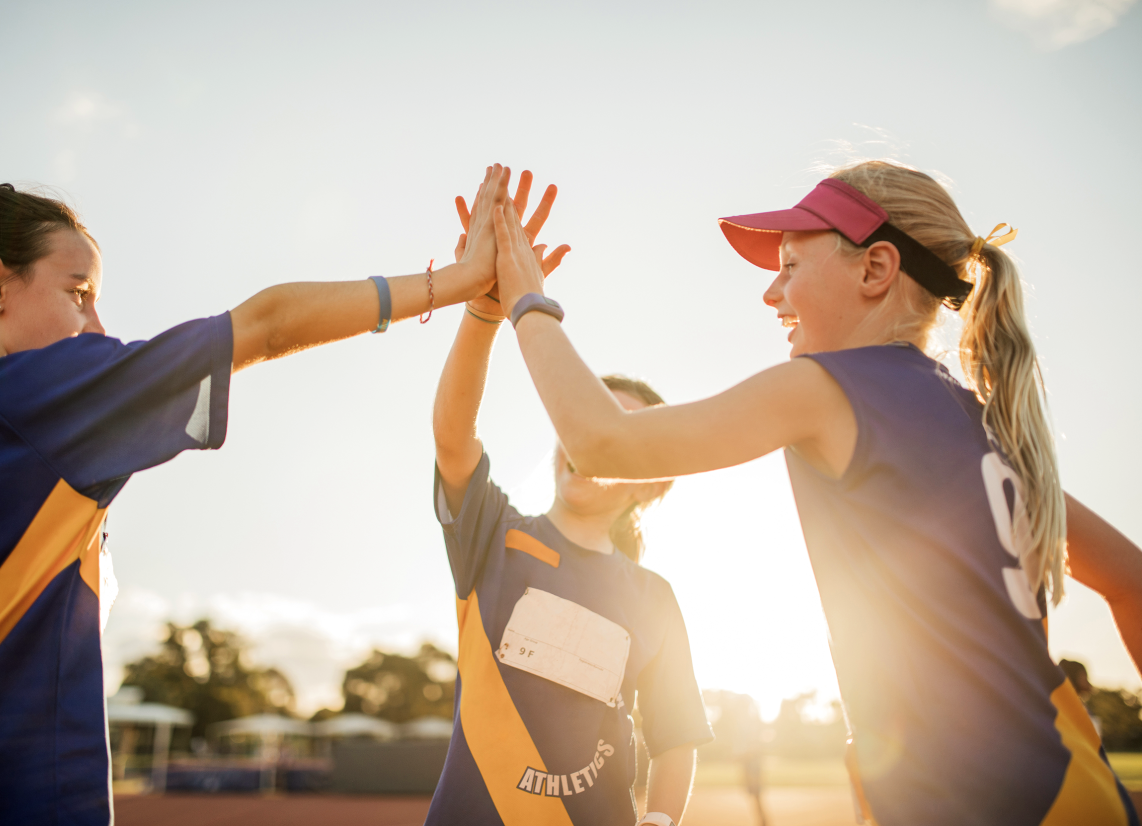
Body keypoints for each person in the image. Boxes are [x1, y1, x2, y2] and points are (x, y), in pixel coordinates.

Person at [489, 159, 1142, 825]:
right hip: (1074, 782)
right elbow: (1131, 580)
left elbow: (602, 445)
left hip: (993, 802)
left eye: (791, 267)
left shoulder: (826, 388)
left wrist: (525, 298)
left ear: (875, 269)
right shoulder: (984, 424)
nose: (772, 294)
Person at [0, 166, 514, 823]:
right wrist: (458, 283)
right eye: (79, 292)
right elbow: (268, 323)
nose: (99, 325)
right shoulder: (34, 399)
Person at [426, 171, 712, 826]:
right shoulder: (493, 533)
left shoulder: (655, 597)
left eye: (619, 433)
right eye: (588, 421)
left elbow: (676, 743)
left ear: (652, 483)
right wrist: (484, 312)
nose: (592, 443)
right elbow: (452, 435)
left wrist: (662, 822)